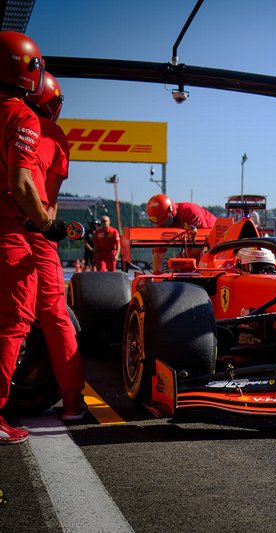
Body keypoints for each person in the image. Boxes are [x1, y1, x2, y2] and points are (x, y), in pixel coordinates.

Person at [24, 72, 87, 420]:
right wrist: (49, 227)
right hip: (33, 232)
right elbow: (49, 200)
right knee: (55, 315)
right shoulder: (54, 136)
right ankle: (73, 401)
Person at [0, 31, 52, 444]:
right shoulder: (22, 116)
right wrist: (46, 221)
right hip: (7, 234)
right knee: (13, 324)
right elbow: (21, 183)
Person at [146, 193, 217, 273]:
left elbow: (200, 244)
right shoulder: (161, 223)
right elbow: (158, 251)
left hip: (215, 235)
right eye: (162, 223)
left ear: (172, 210)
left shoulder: (191, 212)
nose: (166, 225)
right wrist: (156, 275)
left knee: (187, 265)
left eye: (167, 221)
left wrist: (187, 266)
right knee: (181, 265)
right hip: (191, 242)